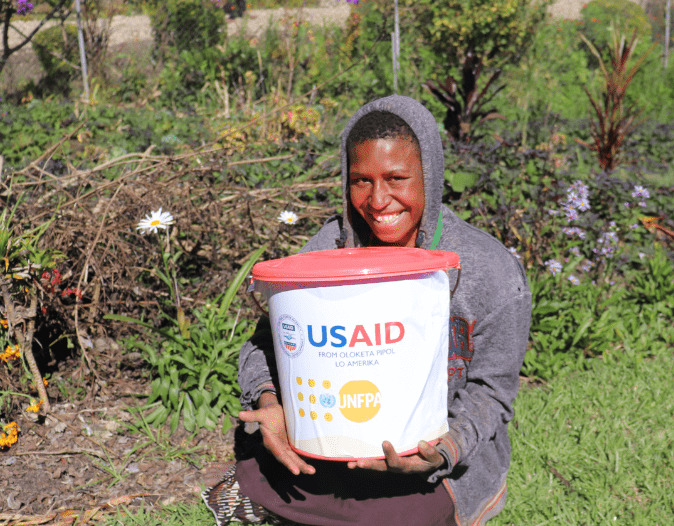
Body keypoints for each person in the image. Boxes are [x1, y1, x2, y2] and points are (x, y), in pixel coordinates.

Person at [203, 95, 531, 526]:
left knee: (398, 513)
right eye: (361, 180)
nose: (378, 201)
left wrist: (440, 453)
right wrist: (271, 401)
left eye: (397, 177)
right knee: (262, 465)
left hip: (431, 461)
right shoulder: (329, 249)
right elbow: (264, 344)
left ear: (429, 176)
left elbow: (492, 392)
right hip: (334, 443)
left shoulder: (489, 270)